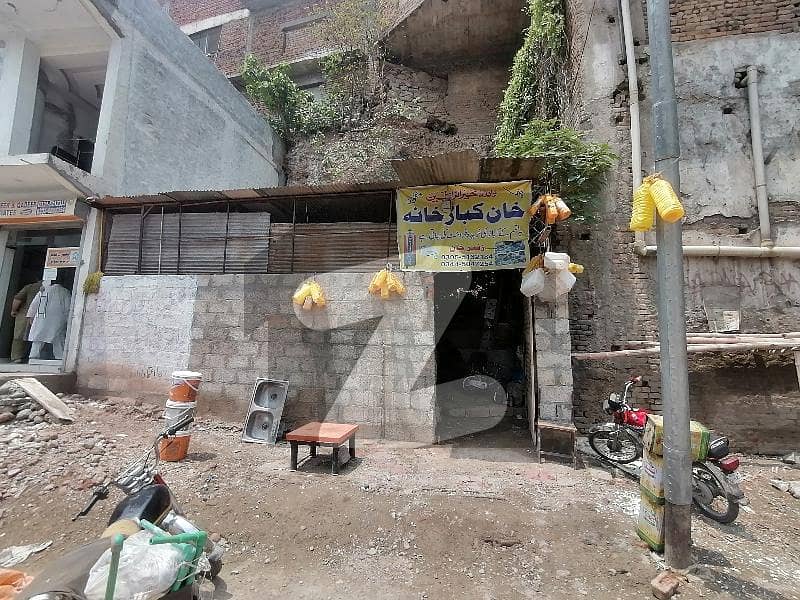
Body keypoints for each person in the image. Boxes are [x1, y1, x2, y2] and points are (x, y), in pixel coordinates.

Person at [26, 272, 71, 360]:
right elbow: (68, 307)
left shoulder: (43, 290)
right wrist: (68, 319)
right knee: (58, 337)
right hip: (58, 318)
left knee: (38, 336)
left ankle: (33, 355)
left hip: (41, 317)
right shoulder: (65, 291)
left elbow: (34, 304)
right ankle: (59, 356)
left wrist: (31, 316)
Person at [9, 280, 42, 362]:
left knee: (19, 336)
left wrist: (13, 311)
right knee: (37, 336)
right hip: (41, 314)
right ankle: (33, 356)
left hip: (25, 313)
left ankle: (17, 357)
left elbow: (17, 299)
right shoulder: (51, 288)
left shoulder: (30, 287)